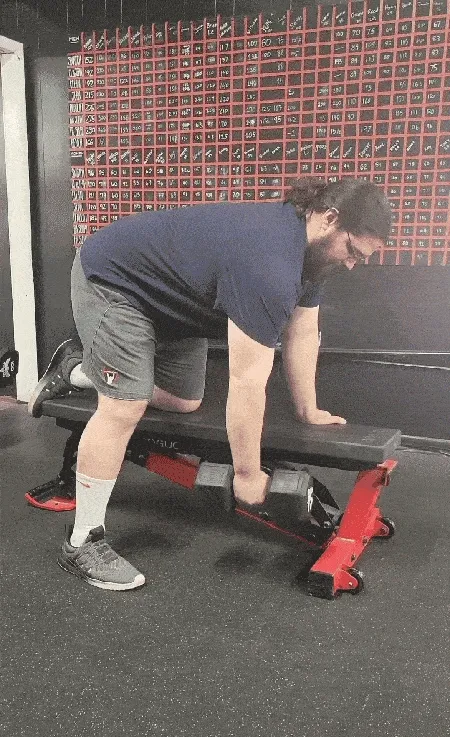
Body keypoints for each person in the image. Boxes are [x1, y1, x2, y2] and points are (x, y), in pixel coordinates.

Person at [28, 176, 392, 591]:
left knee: (183, 401)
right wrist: (248, 473)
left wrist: (309, 409)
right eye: (352, 250)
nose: (351, 263)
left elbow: (304, 331)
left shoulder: (313, 256)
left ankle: (76, 370)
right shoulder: (268, 262)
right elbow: (247, 381)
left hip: (178, 303)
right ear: (330, 219)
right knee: (124, 405)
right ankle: (82, 540)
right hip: (117, 282)